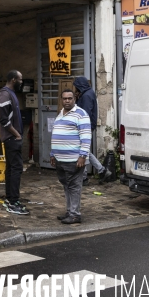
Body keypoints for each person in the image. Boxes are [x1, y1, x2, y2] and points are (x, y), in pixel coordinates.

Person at [50, 89, 91, 224]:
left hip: (74, 159)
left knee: (74, 186)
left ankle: (75, 215)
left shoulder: (81, 114)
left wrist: (83, 156)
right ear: (61, 100)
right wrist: (52, 154)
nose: (67, 101)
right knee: (66, 186)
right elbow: (55, 135)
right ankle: (69, 211)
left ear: (74, 99)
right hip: (60, 159)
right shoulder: (60, 114)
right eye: (64, 98)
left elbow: (86, 137)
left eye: (70, 98)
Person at [0, 70, 29, 215]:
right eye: (20, 79)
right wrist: (17, 135)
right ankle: (14, 201)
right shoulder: (4, 95)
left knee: (11, 168)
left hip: (12, 138)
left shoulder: (10, 93)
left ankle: (10, 198)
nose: (22, 82)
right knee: (16, 169)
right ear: (14, 79)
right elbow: (4, 120)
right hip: (11, 138)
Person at [73, 77, 111, 185]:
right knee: (85, 151)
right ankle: (101, 171)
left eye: (76, 86)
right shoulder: (87, 94)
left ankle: (87, 176)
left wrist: (81, 128)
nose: (75, 88)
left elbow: (84, 113)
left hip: (84, 127)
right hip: (86, 126)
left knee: (83, 151)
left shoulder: (86, 96)